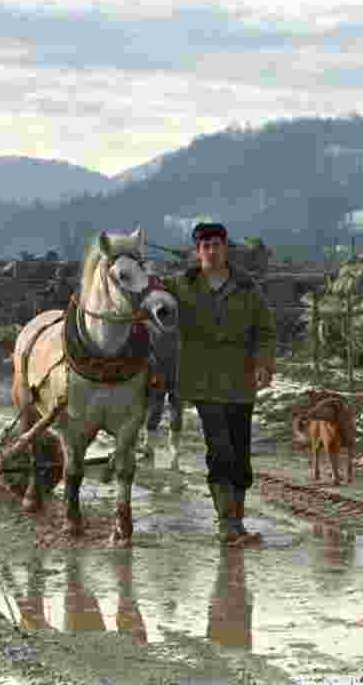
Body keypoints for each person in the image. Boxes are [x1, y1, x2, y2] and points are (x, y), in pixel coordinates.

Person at [161, 222, 276, 545]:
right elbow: (151, 300)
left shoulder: (246, 287)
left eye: (217, 245)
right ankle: (226, 523)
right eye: (205, 246)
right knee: (220, 448)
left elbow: (264, 330)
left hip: (240, 379)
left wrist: (264, 363)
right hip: (202, 379)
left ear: (226, 248)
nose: (211, 251)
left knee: (240, 452)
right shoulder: (180, 285)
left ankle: (237, 520)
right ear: (197, 252)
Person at [139, 262, 184, 471]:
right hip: (176, 363)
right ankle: (171, 452)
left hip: (161, 364)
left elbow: (160, 311)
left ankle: (152, 448)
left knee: (158, 405)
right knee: (172, 405)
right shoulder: (173, 299)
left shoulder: (153, 300)